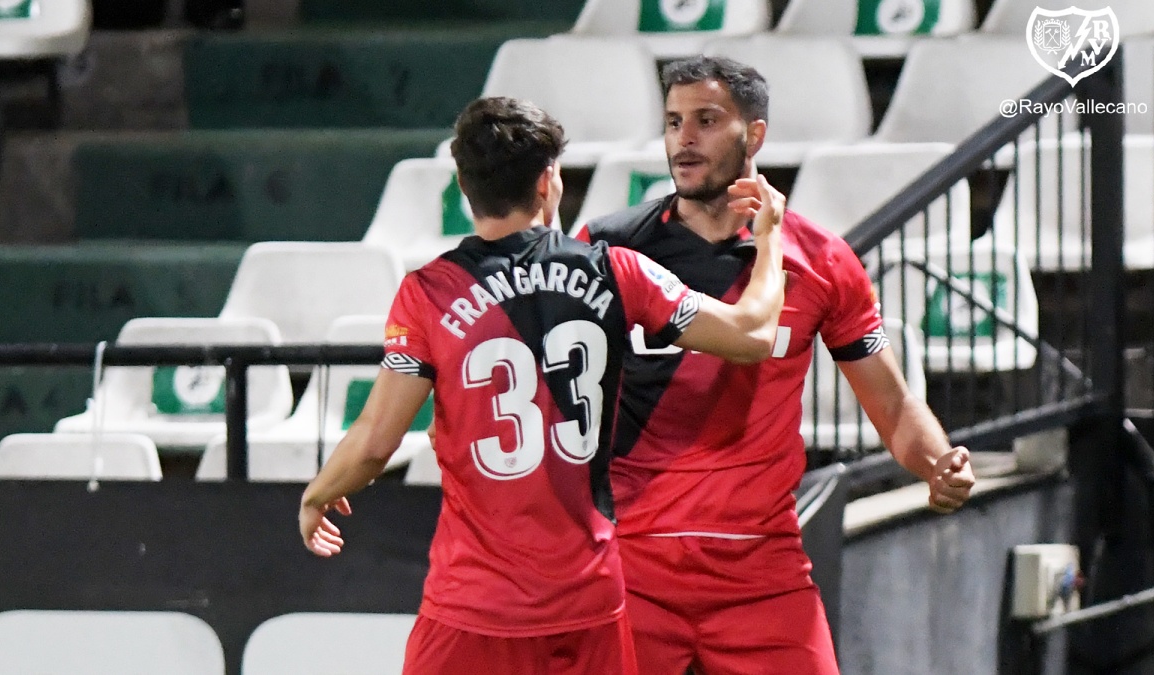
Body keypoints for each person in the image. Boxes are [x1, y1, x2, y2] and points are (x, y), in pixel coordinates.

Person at [298, 95, 792, 675]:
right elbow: (752, 334)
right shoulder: (617, 270)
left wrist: (317, 495)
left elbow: (377, 442)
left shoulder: (430, 292)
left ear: (462, 183)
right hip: (588, 601)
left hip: (473, 607)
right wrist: (770, 237)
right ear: (547, 182)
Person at [575, 56, 978, 675]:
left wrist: (936, 464)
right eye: (674, 121)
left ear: (754, 135)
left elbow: (893, 405)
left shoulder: (823, 261)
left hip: (762, 572)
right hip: (634, 564)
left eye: (706, 120)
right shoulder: (606, 248)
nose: (684, 138)